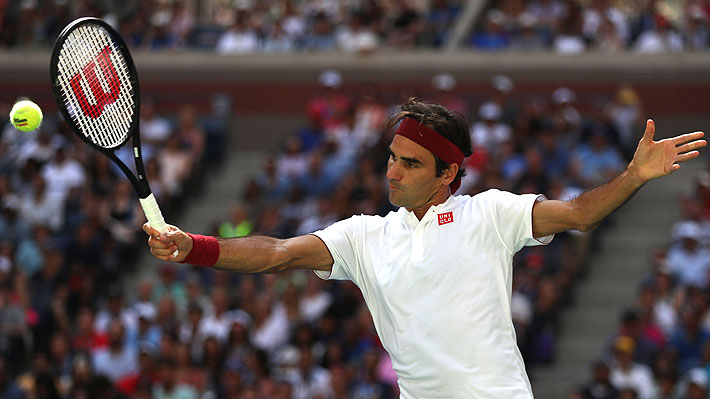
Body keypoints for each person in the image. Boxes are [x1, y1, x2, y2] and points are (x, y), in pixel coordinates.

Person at [144, 98, 706, 398]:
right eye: (391, 157)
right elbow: (276, 253)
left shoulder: (489, 213)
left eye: (409, 163)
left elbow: (580, 215)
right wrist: (193, 246)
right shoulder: (364, 235)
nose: (392, 171)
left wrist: (632, 176)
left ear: (448, 173)